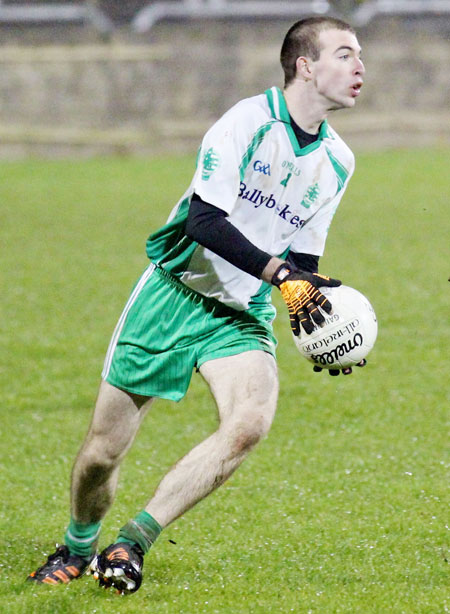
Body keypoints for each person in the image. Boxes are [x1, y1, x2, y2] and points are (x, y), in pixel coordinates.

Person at [28, 16, 366, 594]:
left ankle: (132, 543)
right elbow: (205, 222)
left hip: (240, 314)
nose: (361, 67)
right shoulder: (246, 122)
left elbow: (303, 263)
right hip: (172, 293)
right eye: (345, 54)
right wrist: (282, 272)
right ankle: (78, 545)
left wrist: (321, 316)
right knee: (101, 455)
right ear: (305, 65)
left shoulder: (338, 162)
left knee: (248, 424)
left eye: (361, 56)